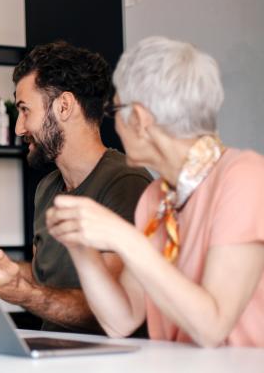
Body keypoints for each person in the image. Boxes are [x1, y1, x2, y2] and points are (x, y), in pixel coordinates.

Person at [0, 42, 152, 334]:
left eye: (25, 110)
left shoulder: (126, 183)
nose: (18, 128)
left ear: (64, 106)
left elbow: (108, 312)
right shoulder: (47, 188)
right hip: (51, 354)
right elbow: (44, 279)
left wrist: (20, 293)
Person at [46, 36, 264, 347]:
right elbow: (121, 320)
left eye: (116, 110)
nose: (116, 125)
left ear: (140, 118)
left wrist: (125, 238)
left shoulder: (244, 177)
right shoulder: (156, 199)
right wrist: (81, 248)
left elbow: (212, 327)